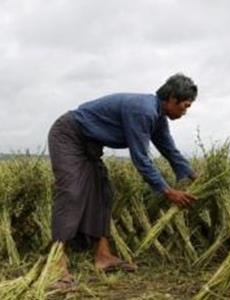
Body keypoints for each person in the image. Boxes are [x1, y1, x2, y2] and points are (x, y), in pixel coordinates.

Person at [47, 73, 198, 289]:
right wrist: (167, 191)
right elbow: (141, 158)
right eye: (185, 105)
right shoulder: (143, 110)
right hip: (69, 136)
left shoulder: (157, 117)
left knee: (103, 192)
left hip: (89, 146)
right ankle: (56, 265)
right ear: (172, 98)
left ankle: (103, 256)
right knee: (71, 193)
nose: (185, 111)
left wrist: (192, 175)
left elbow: (169, 149)